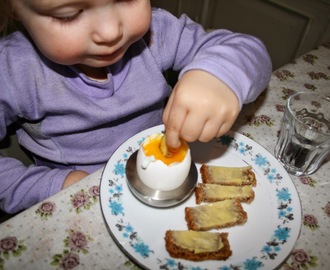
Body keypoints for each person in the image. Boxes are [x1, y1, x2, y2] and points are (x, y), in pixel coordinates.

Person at [0, 0, 272, 214]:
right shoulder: (11, 70)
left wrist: (221, 74)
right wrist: (51, 185)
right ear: (14, 7)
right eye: (69, 14)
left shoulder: (159, 33)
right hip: (83, 198)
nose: (111, 31)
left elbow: (248, 49)